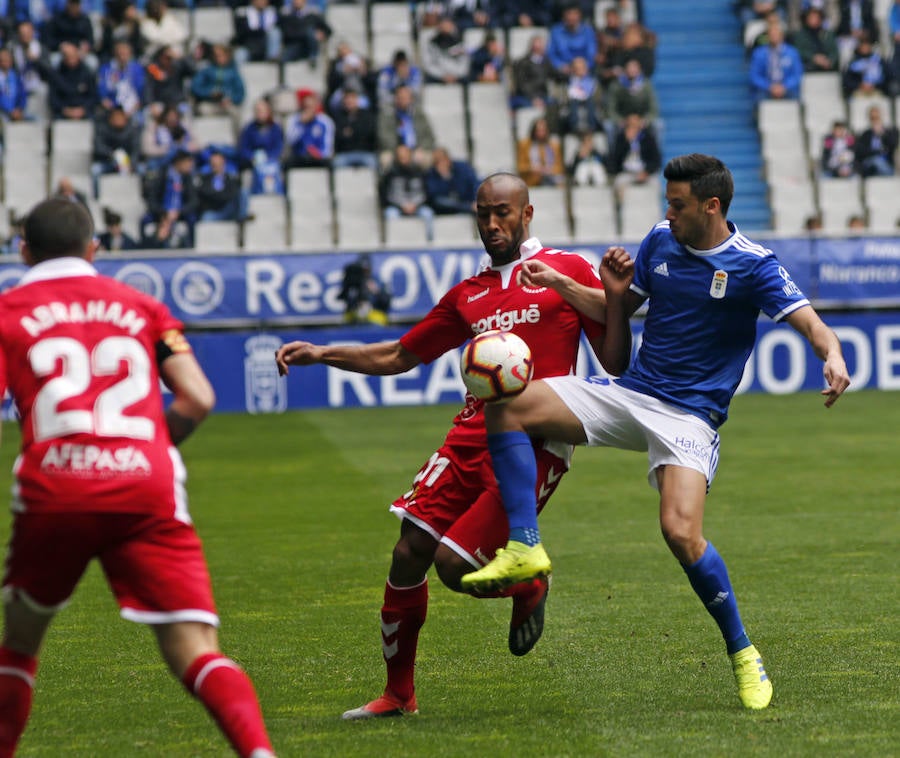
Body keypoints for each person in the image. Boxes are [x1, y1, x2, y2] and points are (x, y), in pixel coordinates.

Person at [461, 153, 851, 712]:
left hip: (690, 418)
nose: (667, 215)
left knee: (680, 532)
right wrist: (562, 284)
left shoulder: (753, 265)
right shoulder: (659, 241)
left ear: (711, 206)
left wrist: (832, 357)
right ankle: (524, 546)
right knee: (506, 402)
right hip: (632, 393)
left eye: (678, 205)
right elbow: (616, 306)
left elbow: (811, 324)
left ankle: (743, 652)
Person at [275, 172, 627, 720]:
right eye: (484, 213)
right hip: (470, 434)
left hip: (537, 443)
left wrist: (617, 297)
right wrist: (322, 354)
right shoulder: (468, 294)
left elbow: (614, 355)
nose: (492, 223)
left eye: (503, 212)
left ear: (527, 214)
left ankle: (529, 582)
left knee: (451, 564)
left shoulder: (567, 270)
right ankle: (398, 694)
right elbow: (398, 355)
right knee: (408, 549)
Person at [0, 198, 275, 757]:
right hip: (145, 485)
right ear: (94, 249)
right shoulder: (140, 306)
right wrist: (139, 452)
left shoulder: (8, 311)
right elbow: (198, 397)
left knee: (20, 645)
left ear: (24, 251)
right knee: (195, 648)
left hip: (55, 488)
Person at [380, 143, 435, 241]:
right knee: (391, 214)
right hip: (397, 207)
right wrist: (401, 205)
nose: (404, 159)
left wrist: (415, 205)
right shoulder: (390, 174)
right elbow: (385, 195)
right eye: (401, 157)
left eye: (406, 156)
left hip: (417, 206)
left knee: (428, 214)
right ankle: (395, 242)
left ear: (410, 156)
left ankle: (429, 243)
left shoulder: (420, 172)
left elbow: (427, 193)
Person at [748, 16, 803, 104]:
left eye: (776, 34)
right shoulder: (759, 53)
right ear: (768, 36)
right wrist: (769, 87)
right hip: (767, 88)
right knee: (759, 96)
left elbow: (797, 75)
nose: (774, 36)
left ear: (782, 35)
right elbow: (754, 76)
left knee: (795, 95)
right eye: (771, 34)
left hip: (786, 88)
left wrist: (784, 86)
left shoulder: (792, 52)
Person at [284, 89, 334, 169]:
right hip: (299, 156)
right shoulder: (294, 120)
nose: (308, 110)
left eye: (310, 107)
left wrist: (319, 154)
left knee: (329, 164)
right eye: (306, 107)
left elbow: (328, 145)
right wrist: (301, 124)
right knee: (287, 164)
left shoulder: (325, 121)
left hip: (318, 157)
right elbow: (290, 141)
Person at [336, 253, 391, 325]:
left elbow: (387, 302)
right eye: (362, 270)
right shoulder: (353, 283)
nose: (365, 273)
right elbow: (342, 298)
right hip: (354, 321)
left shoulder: (378, 281)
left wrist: (377, 292)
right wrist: (349, 288)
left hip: (375, 322)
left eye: (366, 270)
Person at [424, 146, 479, 215]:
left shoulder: (463, 168)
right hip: (449, 206)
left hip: (466, 199)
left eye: (443, 161)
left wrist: (476, 200)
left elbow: (474, 183)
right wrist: (444, 178)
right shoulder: (431, 174)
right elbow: (434, 195)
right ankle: (468, 207)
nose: (442, 165)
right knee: (441, 201)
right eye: (438, 163)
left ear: (448, 160)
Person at [547, 3, 597, 77]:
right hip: (563, 71)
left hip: (584, 69)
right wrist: (561, 66)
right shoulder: (556, 31)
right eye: (569, 14)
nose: (572, 17)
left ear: (580, 15)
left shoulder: (588, 31)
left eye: (575, 14)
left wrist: (583, 66)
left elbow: (592, 53)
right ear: (564, 16)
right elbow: (551, 54)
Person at [516, 116, 565, 187]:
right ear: (533, 131)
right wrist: (532, 168)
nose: (541, 133)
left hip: (552, 180)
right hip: (531, 181)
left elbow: (560, 168)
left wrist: (548, 170)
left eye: (544, 130)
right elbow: (520, 167)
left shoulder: (554, 146)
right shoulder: (524, 145)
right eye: (538, 130)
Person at [790, 6, 840, 73]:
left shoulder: (828, 34)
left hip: (827, 70)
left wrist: (829, 61)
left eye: (816, 17)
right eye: (811, 17)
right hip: (807, 69)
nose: (814, 20)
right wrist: (814, 58)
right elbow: (797, 51)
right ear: (806, 19)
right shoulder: (800, 35)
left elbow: (834, 52)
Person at [854, 105, 898, 177]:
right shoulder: (866, 134)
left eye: (876, 118)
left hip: (886, 166)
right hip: (870, 164)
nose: (875, 121)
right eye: (872, 118)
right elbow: (861, 152)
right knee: (872, 161)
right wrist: (877, 152)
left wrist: (883, 134)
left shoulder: (890, 132)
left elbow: (893, 145)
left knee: (877, 161)